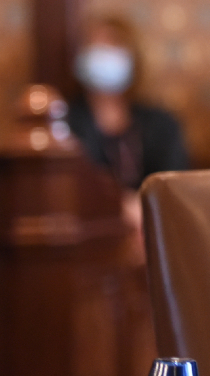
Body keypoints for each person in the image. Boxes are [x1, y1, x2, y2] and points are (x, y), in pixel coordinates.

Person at [67, 13, 190, 261]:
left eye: (113, 45)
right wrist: (119, 208)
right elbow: (71, 186)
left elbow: (176, 184)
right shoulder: (65, 122)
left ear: (133, 56)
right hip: (91, 239)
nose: (102, 53)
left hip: (154, 233)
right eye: (94, 45)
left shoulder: (161, 122)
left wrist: (144, 211)